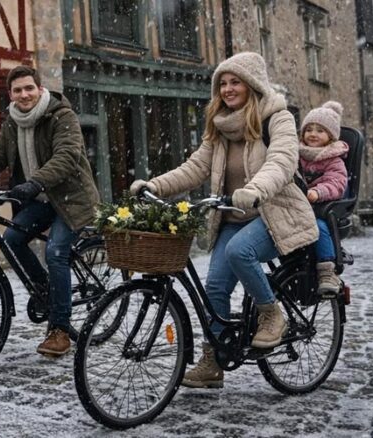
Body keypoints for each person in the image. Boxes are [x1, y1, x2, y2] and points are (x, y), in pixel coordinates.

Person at [129, 52, 318, 389]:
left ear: (253, 83)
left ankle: (272, 314)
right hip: (233, 216)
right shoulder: (219, 125)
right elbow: (195, 167)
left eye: (235, 82)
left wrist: (256, 188)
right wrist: (154, 185)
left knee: (239, 252)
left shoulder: (277, 118)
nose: (228, 89)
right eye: (223, 84)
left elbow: (283, 160)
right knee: (214, 286)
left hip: (275, 213)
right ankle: (212, 362)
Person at [0, 65, 100, 357]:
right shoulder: (13, 121)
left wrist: (34, 183)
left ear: (40, 89)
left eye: (29, 88)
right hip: (40, 200)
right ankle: (48, 291)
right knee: (12, 239)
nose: (24, 94)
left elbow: (67, 156)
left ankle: (60, 329)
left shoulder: (61, 115)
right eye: (17, 90)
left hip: (71, 200)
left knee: (55, 252)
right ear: (11, 94)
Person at [298, 101, 349, 295]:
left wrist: (318, 192)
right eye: (309, 129)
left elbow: (336, 183)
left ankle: (327, 270)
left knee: (318, 227)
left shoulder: (334, 159)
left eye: (320, 130)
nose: (313, 134)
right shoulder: (297, 154)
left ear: (330, 136)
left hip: (322, 207)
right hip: (297, 204)